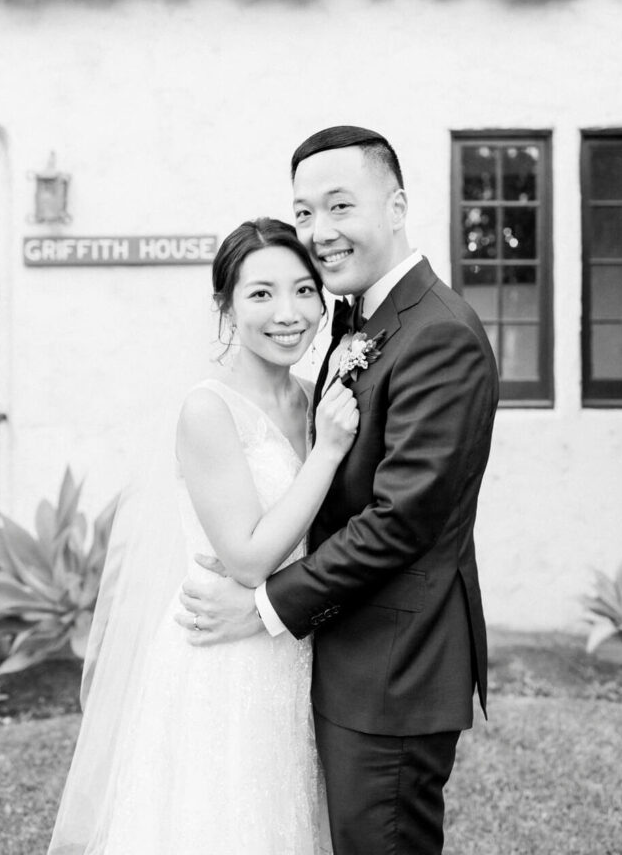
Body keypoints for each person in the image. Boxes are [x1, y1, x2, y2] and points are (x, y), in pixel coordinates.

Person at [179, 126, 499, 855]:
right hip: (347, 652)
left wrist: (261, 607)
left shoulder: (438, 334)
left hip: (394, 665)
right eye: (304, 212)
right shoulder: (365, 319)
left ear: (396, 205)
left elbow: (398, 522)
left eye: (339, 207)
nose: (319, 233)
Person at [49, 217, 359, 855]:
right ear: (226, 306)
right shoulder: (208, 409)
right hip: (221, 655)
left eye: (305, 290)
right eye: (261, 293)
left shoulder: (315, 396)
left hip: (293, 641)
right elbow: (246, 558)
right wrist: (326, 454)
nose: (289, 313)